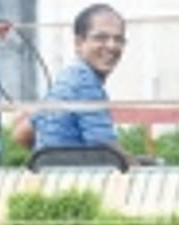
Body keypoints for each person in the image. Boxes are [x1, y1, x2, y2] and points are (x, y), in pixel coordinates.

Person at [13, 4, 133, 165]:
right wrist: (143, 170)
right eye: (101, 38)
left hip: (52, 177)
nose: (111, 46)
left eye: (118, 39)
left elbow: (21, 134)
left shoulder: (66, 80)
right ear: (79, 43)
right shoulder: (85, 82)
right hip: (77, 181)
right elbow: (108, 153)